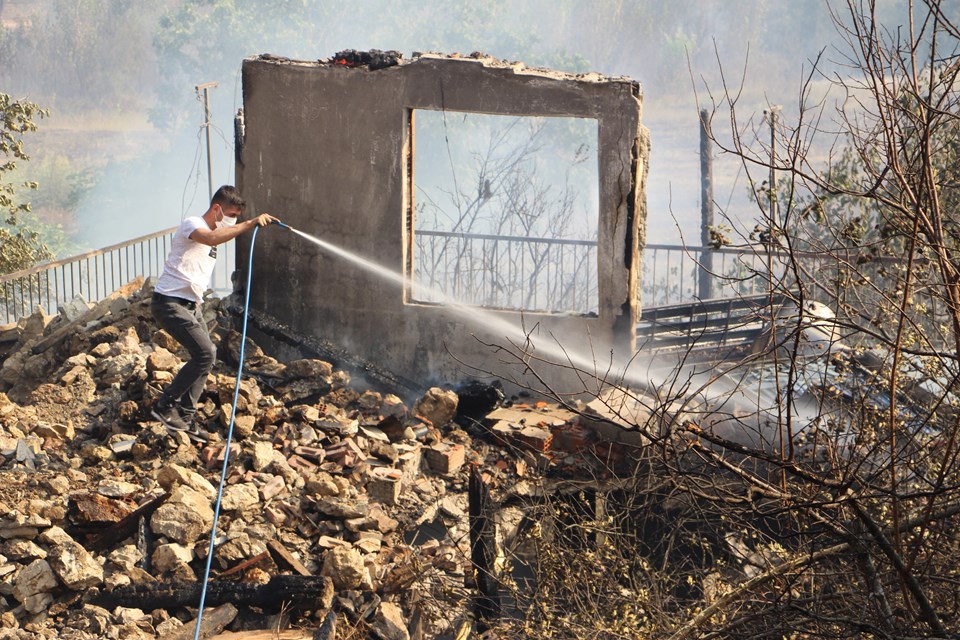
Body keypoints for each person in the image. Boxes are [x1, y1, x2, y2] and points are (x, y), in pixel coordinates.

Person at [150, 185, 279, 434]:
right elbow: (210, 237)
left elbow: (215, 240)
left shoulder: (214, 239)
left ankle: (185, 417)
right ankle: (164, 407)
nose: (232, 221)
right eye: (230, 215)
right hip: (169, 302)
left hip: (191, 305)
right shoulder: (193, 223)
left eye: (236, 217)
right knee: (206, 353)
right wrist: (251, 223)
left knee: (207, 359)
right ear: (217, 209)